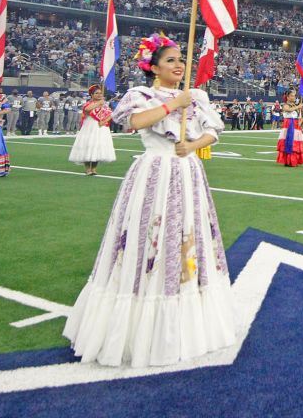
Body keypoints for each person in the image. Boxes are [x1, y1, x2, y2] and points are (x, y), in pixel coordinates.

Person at [63, 34, 238, 368]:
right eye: (170, 60)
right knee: (149, 236)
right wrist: (174, 104)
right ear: (154, 66)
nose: (178, 65)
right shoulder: (141, 95)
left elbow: (214, 131)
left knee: (187, 234)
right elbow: (132, 122)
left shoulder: (196, 95)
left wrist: (194, 143)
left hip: (187, 172)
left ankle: (184, 317)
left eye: (180, 60)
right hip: (155, 171)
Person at [69, 84, 116, 176]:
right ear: (92, 95)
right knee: (88, 146)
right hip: (90, 127)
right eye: (96, 93)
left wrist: (104, 121)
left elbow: (111, 114)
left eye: (100, 93)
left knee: (97, 147)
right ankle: (87, 169)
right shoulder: (89, 103)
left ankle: (94, 168)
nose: (99, 95)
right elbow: (87, 109)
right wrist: (98, 103)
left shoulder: (105, 105)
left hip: (101, 128)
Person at [276, 90, 303, 167]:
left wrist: (300, 121)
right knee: (289, 142)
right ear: (288, 97)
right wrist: (298, 106)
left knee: (295, 144)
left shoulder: (296, 105)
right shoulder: (286, 105)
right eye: (292, 96)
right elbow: (287, 109)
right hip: (289, 125)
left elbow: (300, 117)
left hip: (296, 126)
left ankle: (294, 160)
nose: (293, 97)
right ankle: (288, 161)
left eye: (294, 96)